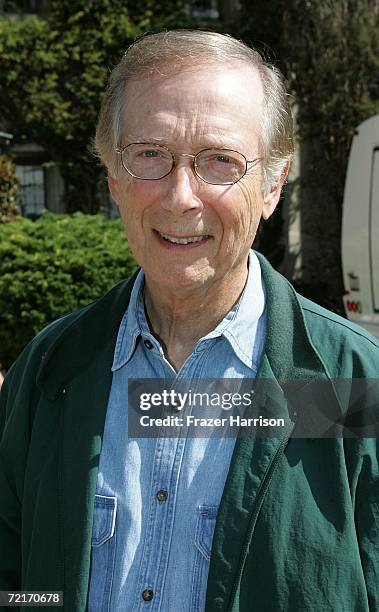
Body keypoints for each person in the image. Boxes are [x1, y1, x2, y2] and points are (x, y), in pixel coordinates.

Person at [0, 29, 378, 612]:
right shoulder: (51, 371)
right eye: (150, 154)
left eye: (220, 160)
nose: (181, 197)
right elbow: (18, 582)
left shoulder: (351, 383)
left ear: (272, 185)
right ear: (113, 180)